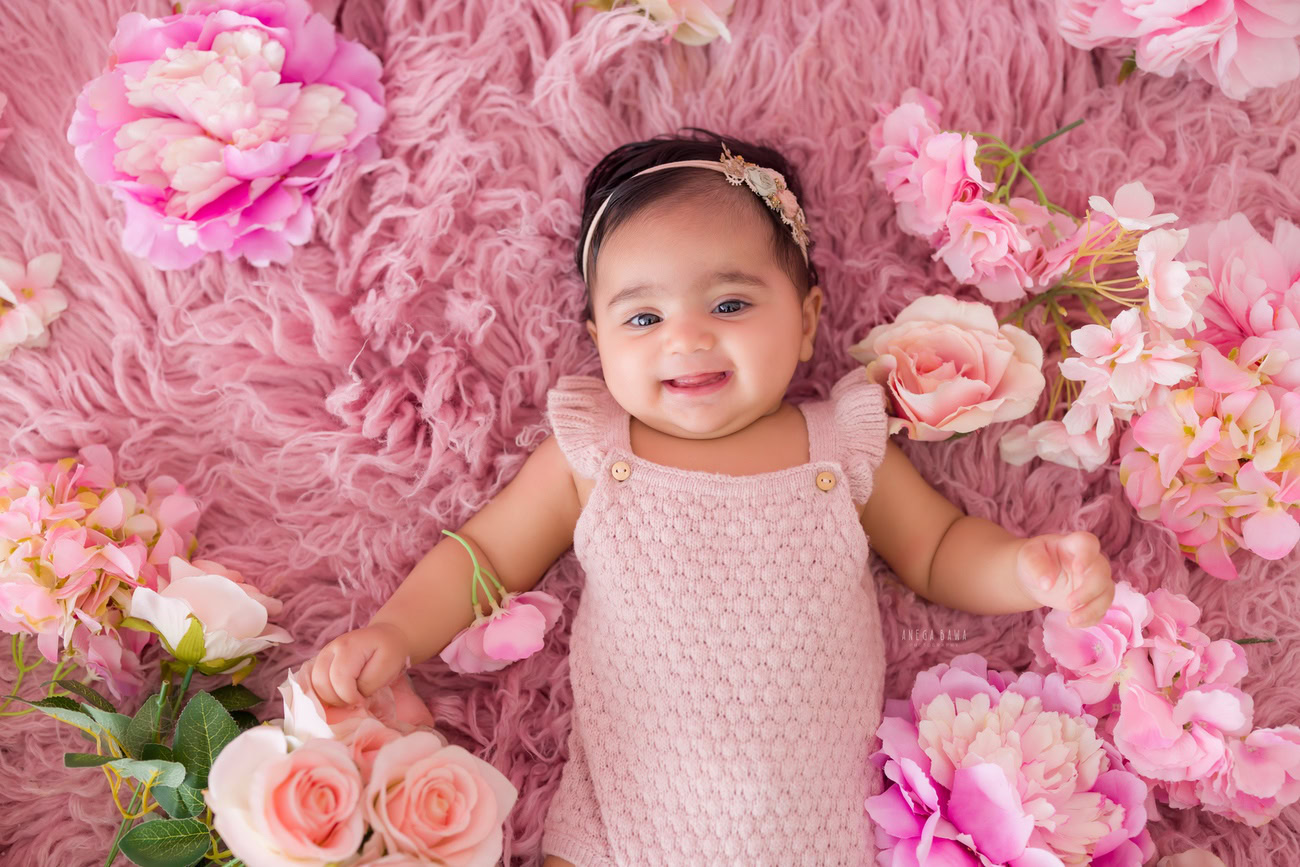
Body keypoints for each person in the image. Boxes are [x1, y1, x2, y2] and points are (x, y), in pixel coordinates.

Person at [307, 130, 1117, 866]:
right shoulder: (594, 455)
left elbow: (939, 550)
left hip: (812, 834)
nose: (686, 338)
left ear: (805, 323)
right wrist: (398, 630)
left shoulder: (839, 446)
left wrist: (1023, 568)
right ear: (598, 341)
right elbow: (481, 555)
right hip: (618, 830)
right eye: (644, 316)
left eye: (729, 304)